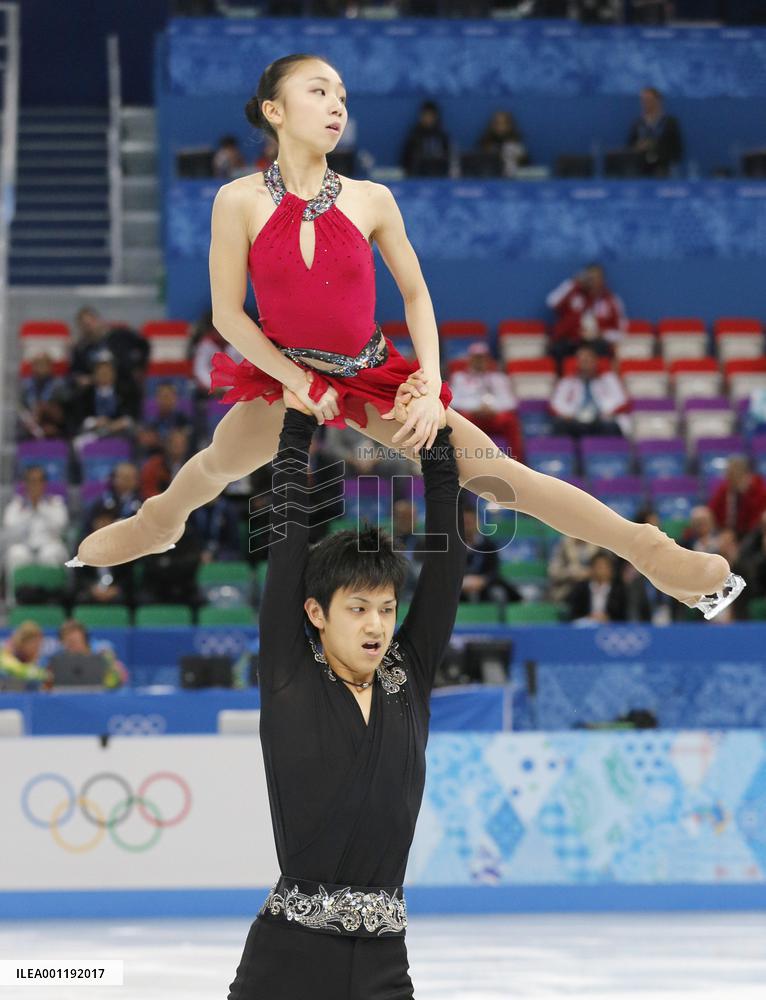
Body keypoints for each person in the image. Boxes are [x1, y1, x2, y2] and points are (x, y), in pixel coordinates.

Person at [67, 53, 741, 622]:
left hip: (372, 374)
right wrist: (299, 383)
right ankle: (159, 521)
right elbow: (227, 315)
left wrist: (427, 387)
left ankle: (652, 553)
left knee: (505, 479)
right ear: (273, 110)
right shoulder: (237, 200)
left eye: (342, 96)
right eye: (318, 91)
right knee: (217, 465)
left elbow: (417, 295)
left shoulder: (370, 199)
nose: (336, 105)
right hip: (285, 372)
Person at [227, 386, 466, 998]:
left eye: (386, 609)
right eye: (357, 608)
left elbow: (445, 570)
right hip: (287, 958)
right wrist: (296, 430)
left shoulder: (406, 675)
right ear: (315, 612)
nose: (376, 625)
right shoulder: (290, 674)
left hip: (386, 961)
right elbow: (285, 547)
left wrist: (437, 446)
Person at [449, 341, 523, 460]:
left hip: (493, 416)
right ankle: (458, 461)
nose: (479, 362)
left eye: (482, 358)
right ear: (470, 359)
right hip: (471, 417)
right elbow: (453, 401)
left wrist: (492, 408)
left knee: (511, 421)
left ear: (488, 360)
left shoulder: (499, 378)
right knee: (456, 420)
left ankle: (517, 461)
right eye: (476, 358)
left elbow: (510, 402)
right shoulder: (460, 378)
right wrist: (476, 408)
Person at [546, 263, 627, 363]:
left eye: (597, 278)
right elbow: (551, 302)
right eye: (590, 278)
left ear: (603, 280)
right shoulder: (573, 293)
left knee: (602, 349)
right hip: (570, 341)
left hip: (595, 343)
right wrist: (572, 282)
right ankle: (562, 378)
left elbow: (620, 331)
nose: (593, 282)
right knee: (558, 349)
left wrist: (602, 334)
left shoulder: (612, 300)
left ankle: (599, 378)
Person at [3, 466, 69, 586]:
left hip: (48, 546)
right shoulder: (15, 505)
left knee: (51, 553)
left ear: (44, 484)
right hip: (24, 547)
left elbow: (61, 528)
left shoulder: (55, 503)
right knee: (15, 553)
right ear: (25, 484)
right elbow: (10, 533)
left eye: (39, 481)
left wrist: (40, 507)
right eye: (31, 481)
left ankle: (51, 597)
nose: (35, 485)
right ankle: (13, 599)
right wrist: (29, 510)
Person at [550, 344, 630, 439]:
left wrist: (608, 412)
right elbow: (556, 403)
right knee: (559, 425)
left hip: (601, 419)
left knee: (611, 426)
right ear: (577, 363)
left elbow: (621, 401)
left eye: (588, 360)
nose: (586, 363)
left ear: (595, 361)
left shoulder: (609, 379)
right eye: (582, 360)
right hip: (575, 419)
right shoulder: (567, 381)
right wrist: (567, 414)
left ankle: (609, 453)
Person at [627, 87, 683, 178]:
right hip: (640, 169)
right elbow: (629, 148)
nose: (646, 103)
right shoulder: (638, 124)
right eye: (643, 100)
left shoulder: (670, 123)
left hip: (663, 168)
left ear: (658, 101)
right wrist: (638, 147)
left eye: (649, 100)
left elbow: (677, 151)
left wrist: (657, 148)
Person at [708, 455, 766, 539]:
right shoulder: (725, 489)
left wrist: (744, 494)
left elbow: (756, 523)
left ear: (744, 474)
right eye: (728, 473)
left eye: (732, 473)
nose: (728, 477)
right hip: (725, 533)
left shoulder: (759, 491)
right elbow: (712, 510)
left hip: (751, 535)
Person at [566, 551, 628, 624]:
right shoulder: (580, 588)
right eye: (598, 566)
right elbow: (573, 613)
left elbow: (624, 615)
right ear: (591, 568)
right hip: (586, 626)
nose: (601, 570)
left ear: (611, 570)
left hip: (611, 627)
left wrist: (607, 618)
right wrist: (589, 617)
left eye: (604, 567)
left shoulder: (619, 590)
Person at [401, 99, 451, 177]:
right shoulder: (414, 137)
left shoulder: (442, 137)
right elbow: (406, 160)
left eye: (431, 116)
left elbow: (449, 158)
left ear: (436, 117)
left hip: (439, 176)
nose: (428, 119)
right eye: (426, 115)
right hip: (417, 176)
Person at [477, 109, 529, 178]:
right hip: (489, 180)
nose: (500, 127)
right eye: (497, 123)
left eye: (504, 123)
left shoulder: (517, 145)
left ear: (510, 125)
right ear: (492, 125)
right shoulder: (484, 144)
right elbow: (477, 167)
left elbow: (527, 169)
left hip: (513, 181)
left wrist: (520, 159)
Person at [0, 622, 50, 690]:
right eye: (34, 644)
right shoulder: (5, 657)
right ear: (21, 643)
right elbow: (19, 671)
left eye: (39, 645)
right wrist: (44, 674)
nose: (37, 649)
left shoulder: (42, 662)